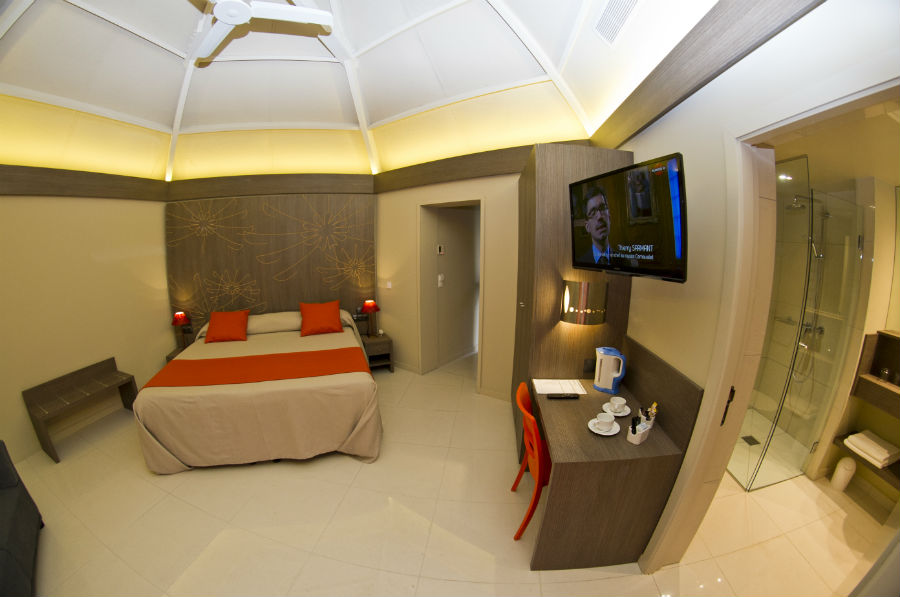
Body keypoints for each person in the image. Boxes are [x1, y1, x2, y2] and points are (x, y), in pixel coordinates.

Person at [578, 182, 611, 264]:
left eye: (602, 208)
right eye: (593, 212)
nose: (599, 216)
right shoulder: (582, 263)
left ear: (609, 217)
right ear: (587, 226)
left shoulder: (626, 262)